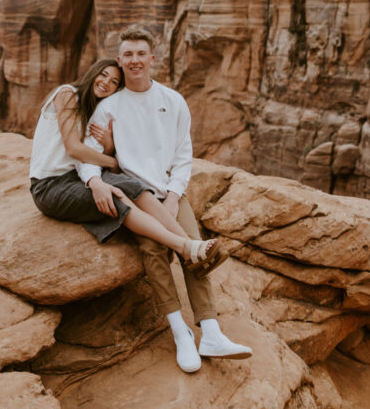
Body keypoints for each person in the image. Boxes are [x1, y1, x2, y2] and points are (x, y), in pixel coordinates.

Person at [79, 27, 252, 373]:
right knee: (153, 253)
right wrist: (94, 181)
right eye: (127, 55)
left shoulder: (173, 101)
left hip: (170, 193)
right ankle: (181, 334)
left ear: (152, 58)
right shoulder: (109, 108)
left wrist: (173, 196)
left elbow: (184, 154)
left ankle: (212, 332)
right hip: (135, 196)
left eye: (141, 53)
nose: (135, 60)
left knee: (194, 246)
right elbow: (88, 154)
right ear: (121, 60)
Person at [29, 57, 222, 265]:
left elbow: (91, 153)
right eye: (103, 75)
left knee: (132, 185)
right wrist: (112, 163)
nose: (106, 83)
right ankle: (183, 248)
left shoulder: (93, 109)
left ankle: (193, 247)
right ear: (93, 73)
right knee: (116, 199)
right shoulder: (67, 94)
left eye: (114, 82)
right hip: (49, 186)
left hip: (74, 178)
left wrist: (109, 146)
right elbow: (73, 148)